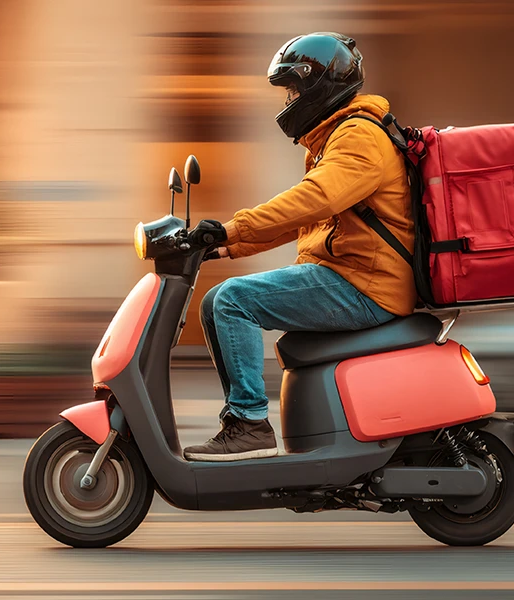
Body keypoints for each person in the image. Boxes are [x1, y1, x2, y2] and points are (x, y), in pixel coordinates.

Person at [182, 32, 417, 462]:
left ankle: (250, 423)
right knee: (216, 299)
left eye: (292, 90)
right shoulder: (335, 138)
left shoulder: (358, 138)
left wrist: (234, 228)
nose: (287, 101)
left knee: (234, 301)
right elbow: (309, 217)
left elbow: (314, 199)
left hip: (365, 284)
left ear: (317, 86)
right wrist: (225, 248)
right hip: (351, 275)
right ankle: (241, 420)